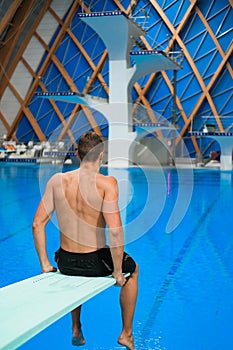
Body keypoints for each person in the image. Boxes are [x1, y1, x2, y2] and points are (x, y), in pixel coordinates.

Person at [32, 131, 138, 350]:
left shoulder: (57, 181)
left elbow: (37, 224)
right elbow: (115, 231)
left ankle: (76, 327)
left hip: (66, 263)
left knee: (74, 275)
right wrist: (118, 271)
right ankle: (126, 334)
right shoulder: (107, 183)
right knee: (134, 270)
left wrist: (45, 264)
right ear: (101, 156)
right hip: (95, 262)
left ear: (78, 156)